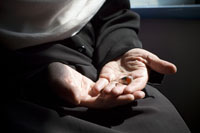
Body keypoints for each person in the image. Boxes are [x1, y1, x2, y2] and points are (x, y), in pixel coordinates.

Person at [1, 0, 190, 132]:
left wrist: (122, 51)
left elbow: (114, 14)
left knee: (161, 121)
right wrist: (40, 68)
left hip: (96, 72)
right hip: (17, 80)